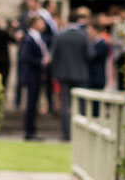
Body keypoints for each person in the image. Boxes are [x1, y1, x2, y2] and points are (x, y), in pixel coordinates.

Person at [48, 8, 90, 141]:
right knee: (81, 106)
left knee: (65, 106)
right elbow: (89, 55)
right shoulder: (83, 36)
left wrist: (54, 74)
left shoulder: (60, 36)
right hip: (81, 75)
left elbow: (54, 56)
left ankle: (66, 134)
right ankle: (80, 135)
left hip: (64, 74)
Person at [19, 14, 49, 140]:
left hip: (37, 75)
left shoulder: (37, 37)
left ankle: (32, 131)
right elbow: (26, 57)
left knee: (34, 103)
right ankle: (29, 132)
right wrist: (42, 62)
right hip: (32, 76)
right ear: (34, 23)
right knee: (31, 104)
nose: (43, 25)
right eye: (41, 22)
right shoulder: (29, 38)